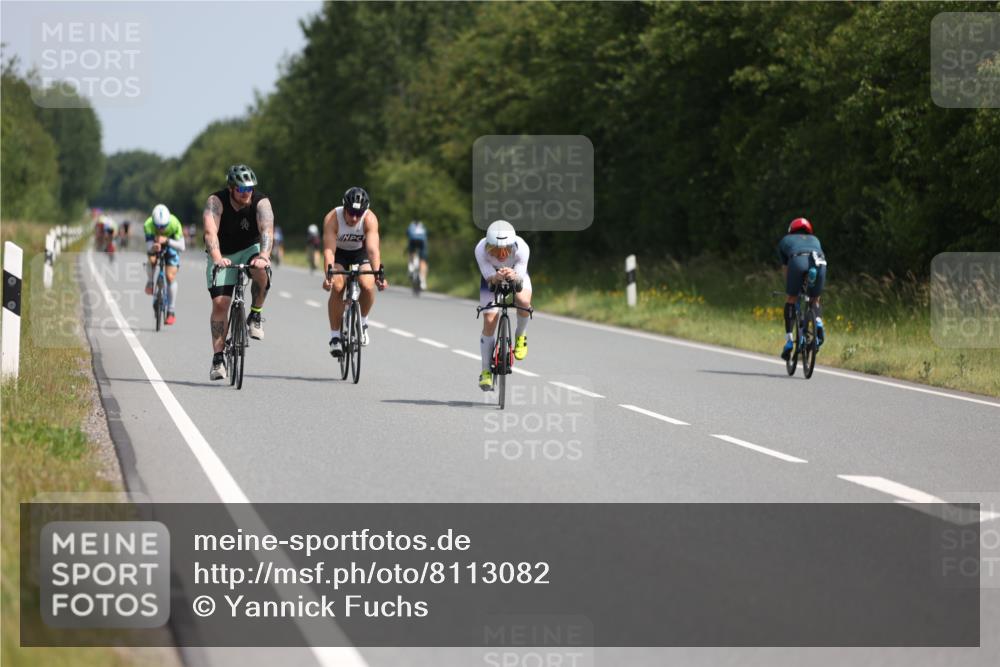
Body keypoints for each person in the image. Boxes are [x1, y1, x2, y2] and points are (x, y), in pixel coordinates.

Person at [203, 164, 275, 381]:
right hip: (223, 252)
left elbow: (267, 231)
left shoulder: (261, 202)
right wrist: (217, 258)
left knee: (260, 270)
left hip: (251, 248)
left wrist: (264, 255)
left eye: (250, 189)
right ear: (231, 188)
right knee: (220, 304)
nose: (247, 194)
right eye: (242, 190)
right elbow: (210, 232)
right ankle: (218, 358)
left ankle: (255, 313)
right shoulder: (216, 202)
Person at [321, 186, 387, 357]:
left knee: (367, 283)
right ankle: (335, 337)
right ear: (344, 207)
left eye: (359, 213)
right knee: (337, 286)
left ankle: (363, 322)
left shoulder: (370, 219)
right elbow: (329, 250)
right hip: (339, 254)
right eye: (351, 213)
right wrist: (328, 275)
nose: (354, 218)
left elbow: (373, 250)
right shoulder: (332, 218)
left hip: (360, 253)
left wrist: (378, 274)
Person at [474, 220, 532, 390]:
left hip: (516, 275)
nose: (501, 254)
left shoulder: (522, 248)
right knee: (490, 319)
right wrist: (495, 276)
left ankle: (521, 335)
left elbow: (520, 282)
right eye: (495, 250)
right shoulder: (480, 249)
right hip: (492, 279)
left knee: (523, 301)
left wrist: (513, 275)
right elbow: (488, 277)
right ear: (487, 246)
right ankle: (485, 372)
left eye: (506, 249)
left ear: (513, 245)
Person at [778, 217, 827, 360]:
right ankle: (817, 320)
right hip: (819, 261)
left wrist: (790, 289)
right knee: (815, 299)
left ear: (791, 230)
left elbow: (786, 268)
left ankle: (789, 341)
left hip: (797, 260)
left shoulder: (785, 240)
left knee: (791, 299)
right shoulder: (815, 239)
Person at [143, 204, 186, 325]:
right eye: (158, 226)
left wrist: (166, 240)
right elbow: (148, 248)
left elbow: (182, 246)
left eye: (164, 226)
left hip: (171, 244)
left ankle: (171, 311)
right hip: (155, 243)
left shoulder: (174, 223)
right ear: (153, 222)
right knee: (151, 259)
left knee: (170, 277)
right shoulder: (148, 224)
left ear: (168, 222)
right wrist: (154, 247)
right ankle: (151, 281)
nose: (161, 228)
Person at [406, 219, 429, 290]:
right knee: (423, 261)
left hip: (412, 241)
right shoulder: (422, 226)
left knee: (411, 252)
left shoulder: (411, 225)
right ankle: (423, 281)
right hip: (422, 243)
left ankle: (410, 267)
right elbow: (426, 235)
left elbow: (407, 234)